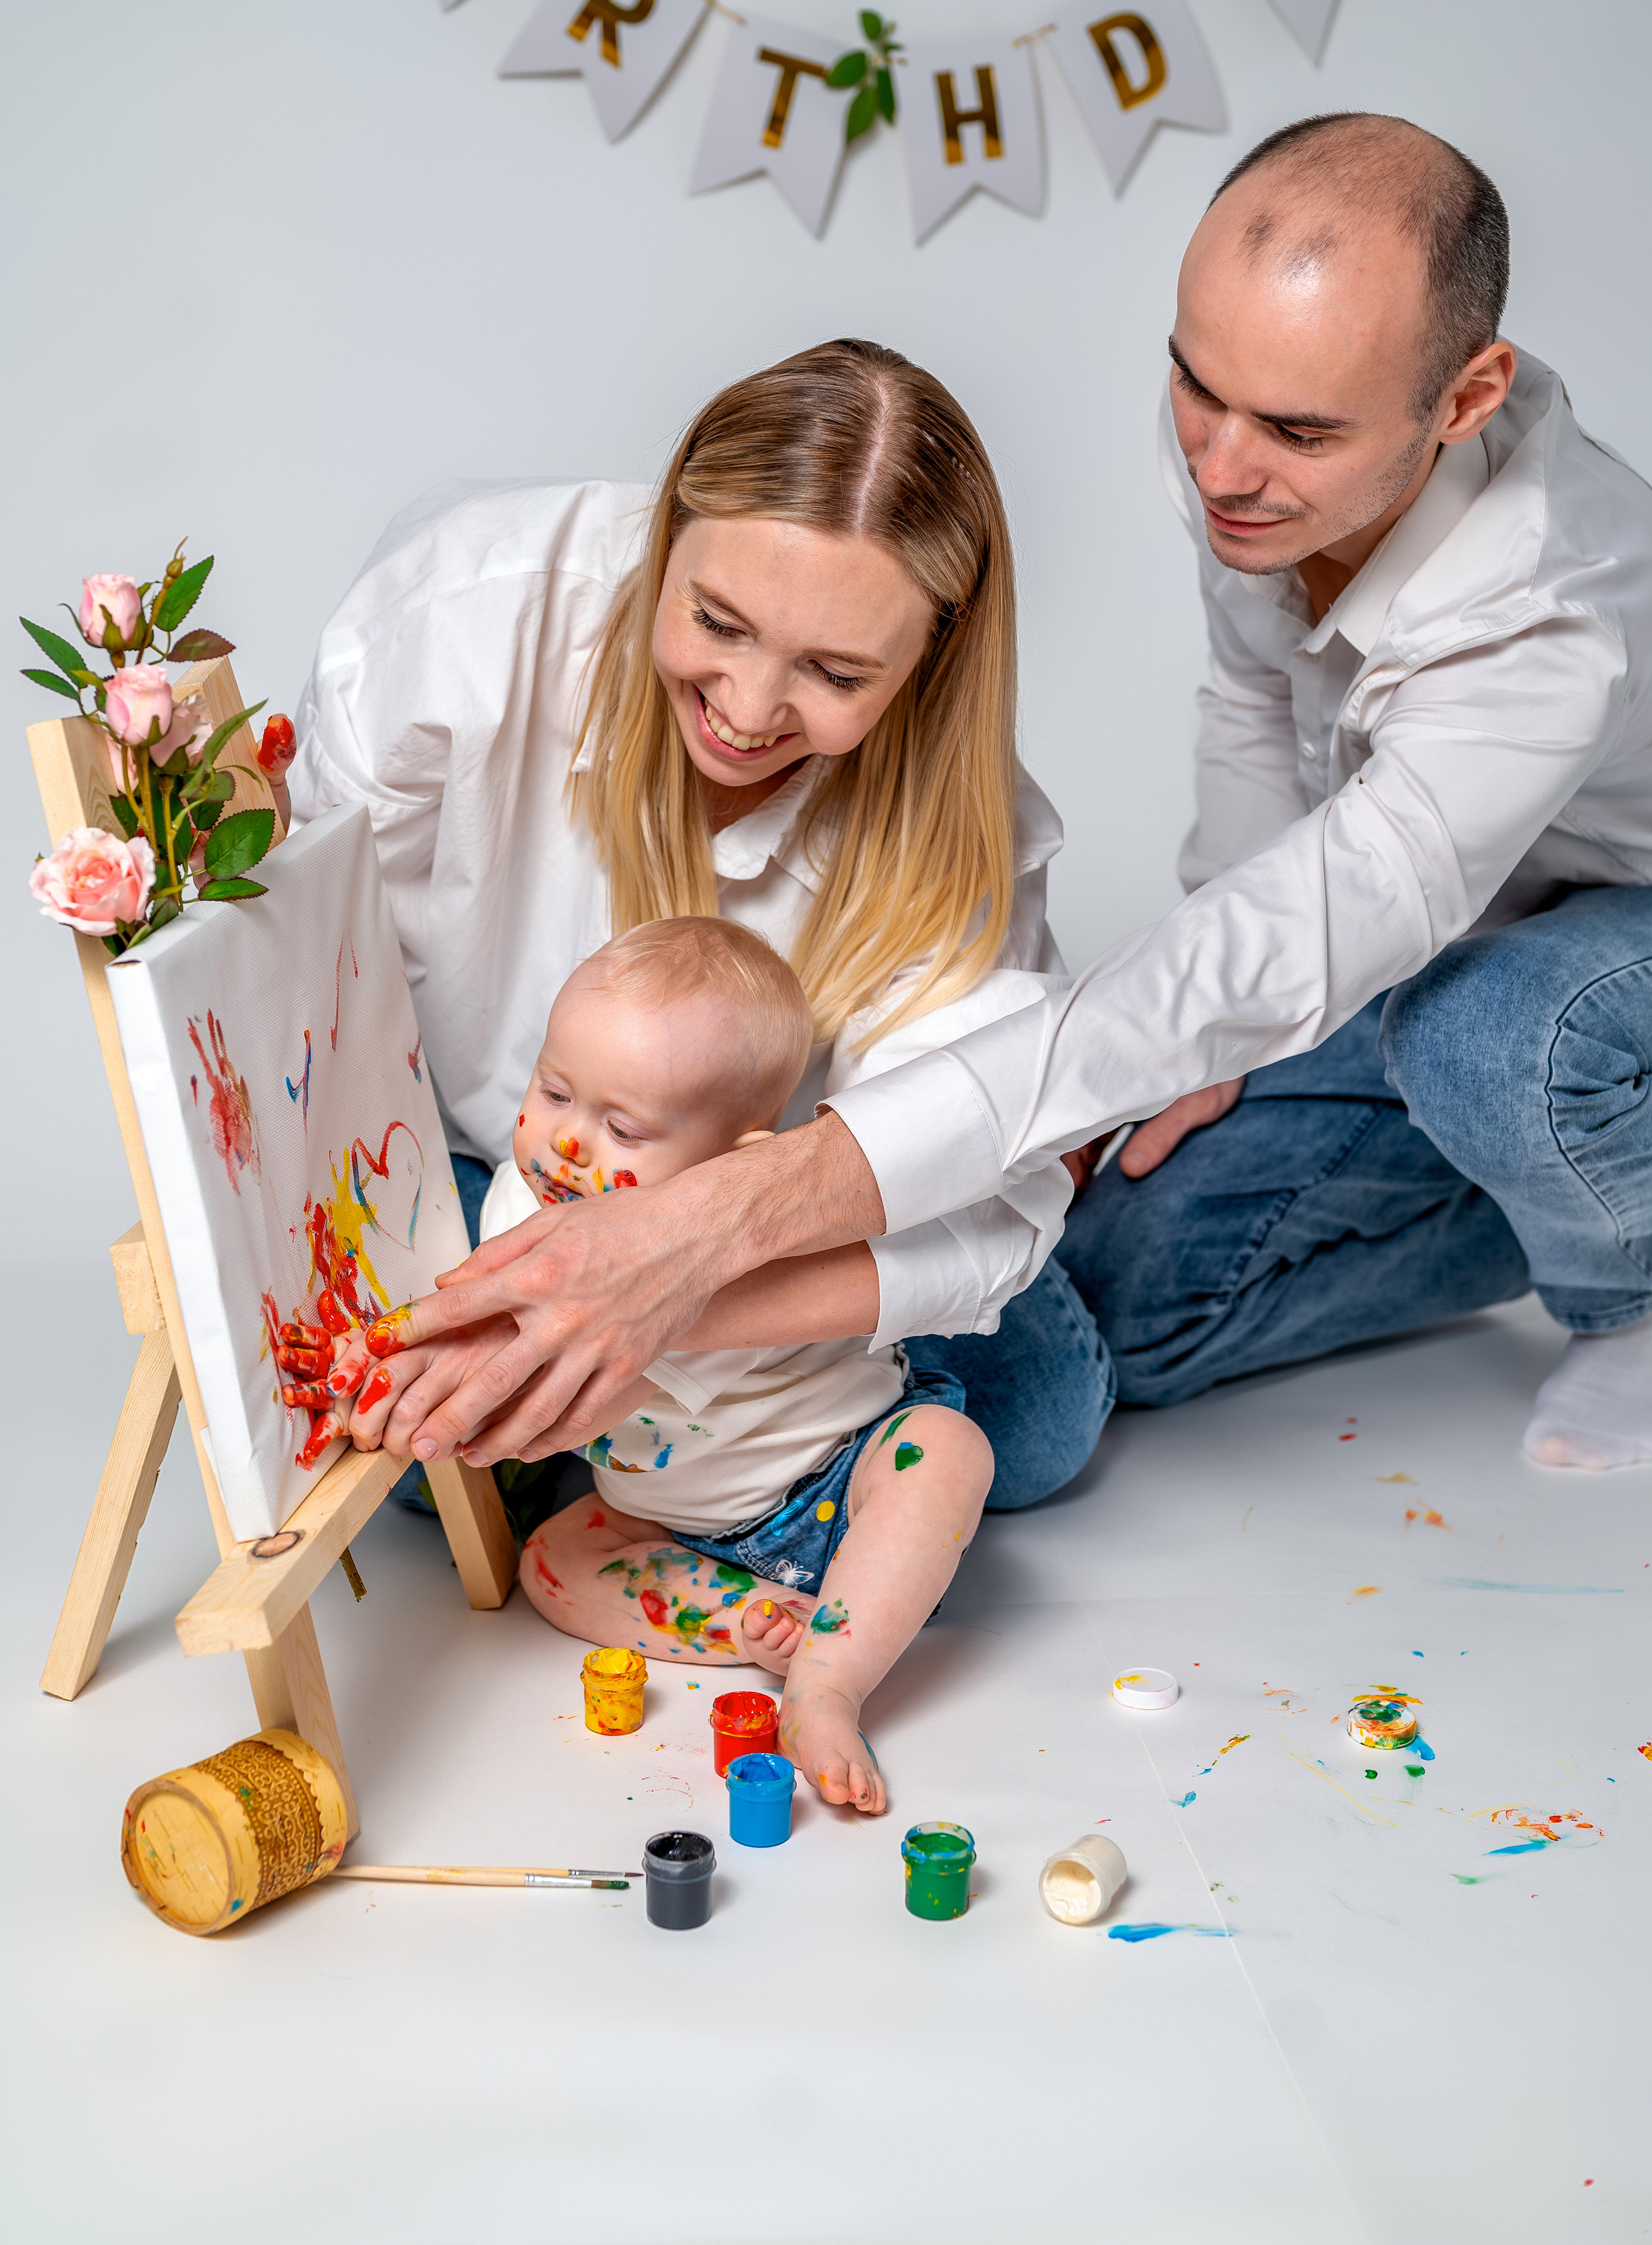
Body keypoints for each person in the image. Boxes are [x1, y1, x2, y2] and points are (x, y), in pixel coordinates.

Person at [362, 114, 1652, 1481]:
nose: (1217, 465)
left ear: (1460, 399)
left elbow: (1313, 927)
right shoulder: (1262, 465)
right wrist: (1208, 1046)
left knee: (1495, 1034)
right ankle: (1522, 1169)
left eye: (1290, 429)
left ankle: (1623, 1292)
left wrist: (730, 1222)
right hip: (1414, 934)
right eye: (1193, 386)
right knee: (1133, 1308)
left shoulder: (1550, 625)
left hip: (1587, 942)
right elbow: (1254, 698)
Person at [284, 337, 1112, 1520]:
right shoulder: (458, 627)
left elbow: (980, 1209)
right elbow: (301, 983)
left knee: (1030, 1423)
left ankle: (650, 1444)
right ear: (670, 530)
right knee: (429, 1469)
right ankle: (660, 1460)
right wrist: (565, 1288)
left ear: (929, 658)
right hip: (493, 1165)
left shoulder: (960, 833)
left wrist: (656, 1298)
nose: (748, 709)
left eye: (834, 672)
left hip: (773, 1242)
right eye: (717, 623)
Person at [350, 915, 993, 1813]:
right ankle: (750, 1621)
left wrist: (437, 1376)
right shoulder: (519, 1199)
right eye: (555, 1091)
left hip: (833, 1488)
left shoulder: (724, 1260)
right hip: (666, 1526)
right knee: (551, 1561)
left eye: (623, 1128)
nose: (568, 1144)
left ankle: (828, 1685)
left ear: (733, 1170)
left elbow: (552, 1388)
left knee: (946, 1449)